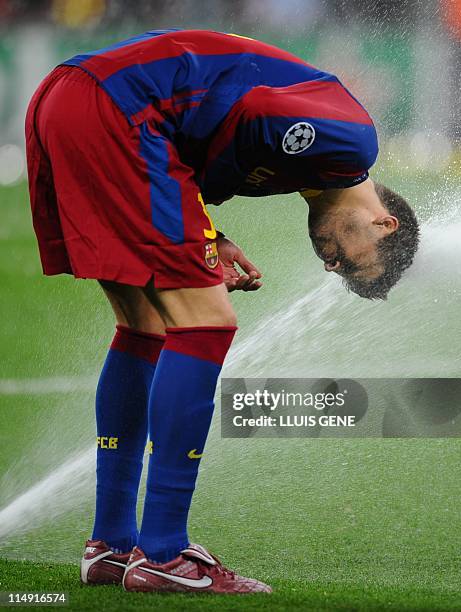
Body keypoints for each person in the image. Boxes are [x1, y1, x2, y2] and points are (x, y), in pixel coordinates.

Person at [25, 28, 419, 595]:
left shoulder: (307, 171)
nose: (334, 268)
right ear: (386, 223)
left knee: (145, 326)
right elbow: (252, 109)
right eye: (358, 265)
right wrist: (202, 235)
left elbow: (197, 140)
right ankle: (162, 552)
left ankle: (111, 545)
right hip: (118, 106)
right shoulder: (352, 145)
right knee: (206, 323)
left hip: (71, 97)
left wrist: (212, 235)